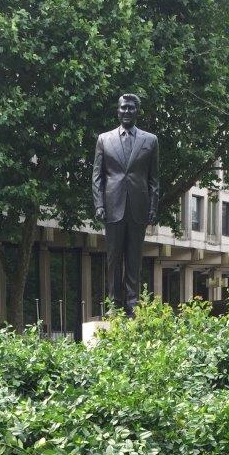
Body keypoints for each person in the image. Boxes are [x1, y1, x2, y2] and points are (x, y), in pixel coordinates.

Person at [92, 94, 159, 316]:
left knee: (133, 258)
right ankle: (114, 303)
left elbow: (153, 180)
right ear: (118, 111)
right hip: (113, 206)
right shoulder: (104, 139)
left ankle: (133, 302)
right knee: (113, 258)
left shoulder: (150, 140)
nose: (127, 112)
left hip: (138, 208)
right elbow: (97, 176)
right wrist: (99, 204)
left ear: (137, 111)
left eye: (131, 108)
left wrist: (152, 208)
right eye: (123, 108)